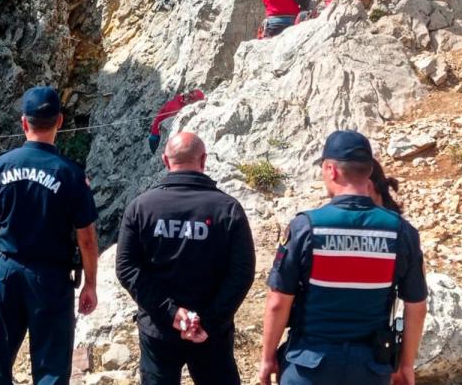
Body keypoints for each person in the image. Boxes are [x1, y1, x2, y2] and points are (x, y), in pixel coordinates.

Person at [258, 130, 427, 385]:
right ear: (369, 171)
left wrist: (267, 358)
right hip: (370, 368)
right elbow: (417, 307)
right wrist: (405, 365)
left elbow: (277, 302)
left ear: (331, 170)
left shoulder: (306, 228)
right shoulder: (401, 232)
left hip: (309, 365)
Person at [0, 86, 100, 385]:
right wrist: (90, 284)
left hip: (8, 267)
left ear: (24, 122)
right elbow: (86, 237)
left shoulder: (2, 166)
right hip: (50, 277)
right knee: (50, 366)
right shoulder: (70, 173)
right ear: (59, 121)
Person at [117, 132, 256, 384]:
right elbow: (242, 273)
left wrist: (170, 313)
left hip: (158, 329)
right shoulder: (228, 209)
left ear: (165, 161)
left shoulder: (140, 207)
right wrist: (209, 321)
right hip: (210, 332)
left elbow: (126, 268)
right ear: (203, 160)